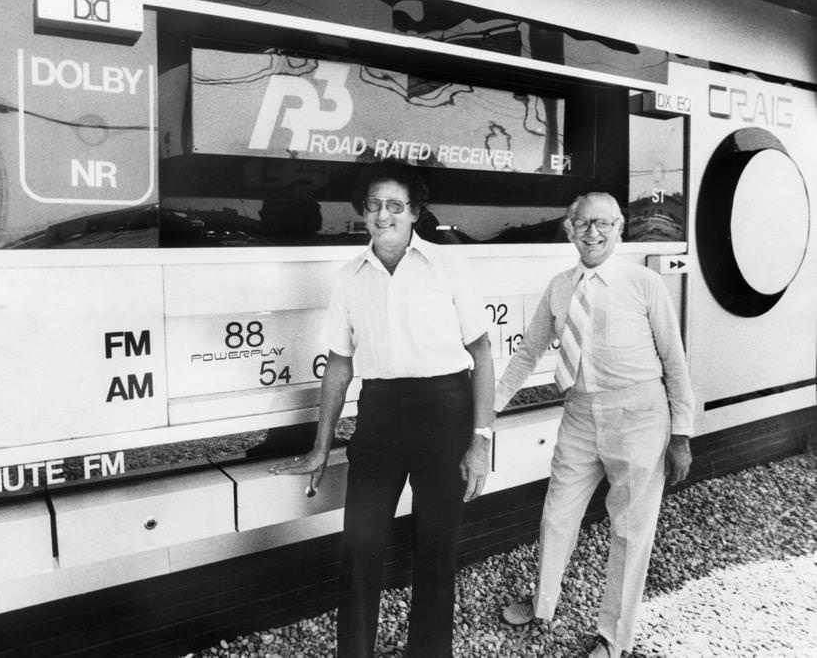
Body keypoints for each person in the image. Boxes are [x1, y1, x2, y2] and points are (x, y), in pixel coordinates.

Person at [271, 160, 495, 658]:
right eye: (373, 205)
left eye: (395, 205)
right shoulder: (350, 278)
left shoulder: (449, 266)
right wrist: (320, 447)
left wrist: (480, 440)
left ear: (415, 211)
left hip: (446, 412)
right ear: (362, 212)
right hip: (379, 417)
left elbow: (481, 354)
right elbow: (339, 365)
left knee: (436, 554)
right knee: (359, 548)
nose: (383, 215)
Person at [496, 192, 695, 658]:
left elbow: (675, 361)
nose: (593, 233)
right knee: (556, 513)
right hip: (581, 413)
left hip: (640, 416)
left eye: (603, 223)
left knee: (631, 529)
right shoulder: (561, 286)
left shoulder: (645, 284)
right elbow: (528, 354)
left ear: (620, 228)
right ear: (569, 229)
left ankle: (614, 638)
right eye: (583, 224)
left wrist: (681, 433)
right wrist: (489, 409)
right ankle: (543, 604)